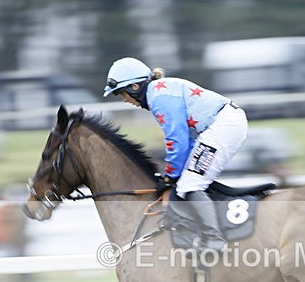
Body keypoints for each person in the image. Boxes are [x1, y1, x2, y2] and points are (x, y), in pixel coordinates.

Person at [103, 57, 247, 251]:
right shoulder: (159, 92)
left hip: (222, 127)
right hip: (221, 125)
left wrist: (170, 175)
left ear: (135, 87)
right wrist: (173, 174)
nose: (124, 100)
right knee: (187, 179)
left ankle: (215, 240)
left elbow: (177, 140)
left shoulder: (159, 99)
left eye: (122, 94)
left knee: (190, 184)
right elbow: (184, 141)